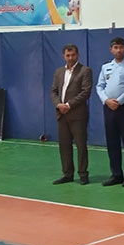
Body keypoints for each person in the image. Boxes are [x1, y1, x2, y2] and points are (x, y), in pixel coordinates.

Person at [50, 44, 93, 185]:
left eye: (73, 55)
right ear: (63, 56)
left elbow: (85, 92)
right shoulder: (59, 72)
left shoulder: (85, 71)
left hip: (77, 115)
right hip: (61, 115)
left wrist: (68, 105)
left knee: (81, 145)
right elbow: (53, 91)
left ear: (78, 55)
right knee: (64, 146)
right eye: (68, 55)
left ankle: (83, 174)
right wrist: (58, 104)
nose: (70, 58)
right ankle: (67, 174)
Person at [97, 37, 124, 187]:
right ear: (111, 50)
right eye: (115, 47)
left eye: (121, 47)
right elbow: (99, 86)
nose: (118, 50)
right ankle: (116, 174)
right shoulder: (105, 67)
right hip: (109, 108)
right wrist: (106, 100)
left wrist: (119, 101)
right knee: (112, 142)